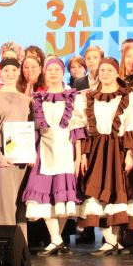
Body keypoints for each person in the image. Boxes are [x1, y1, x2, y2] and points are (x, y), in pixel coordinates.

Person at [21, 57, 87, 255]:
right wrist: (31, 152)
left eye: (57, 69)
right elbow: (33, 128)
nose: (53, 73)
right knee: (42, 196)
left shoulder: (73, 97)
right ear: (45, 73)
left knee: (64, 197)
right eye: (50, 70)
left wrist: (79, 156)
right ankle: (56, 239)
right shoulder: (37, 98)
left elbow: (78, 129)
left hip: (66, 151)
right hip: (44, 151)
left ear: (62, 72)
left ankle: (56, 239)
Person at [79, 57, 133, 255]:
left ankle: (114, 240)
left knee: (117, 192)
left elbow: (131, 125)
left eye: (109, 70)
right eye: (102, 70)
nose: (105, 73)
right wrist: (84, 154)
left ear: (117, 73)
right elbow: (84, 127)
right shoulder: (88, 96)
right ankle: (110, 240)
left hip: (118, 148)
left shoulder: (130, 97)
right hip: (96, 149)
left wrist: (129, 154)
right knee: (95, 192)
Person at [0, 57, 33, 233]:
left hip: (23, 160)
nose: (10, 74)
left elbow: (31, 129)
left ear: (19, 72)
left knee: (21, 205)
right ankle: (2, 243)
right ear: (0, 73)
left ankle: (20, 245)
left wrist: (31, 154)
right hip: (3, 158)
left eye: (14, 70)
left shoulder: (27, 100)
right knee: (3, 205)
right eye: (6, 70)